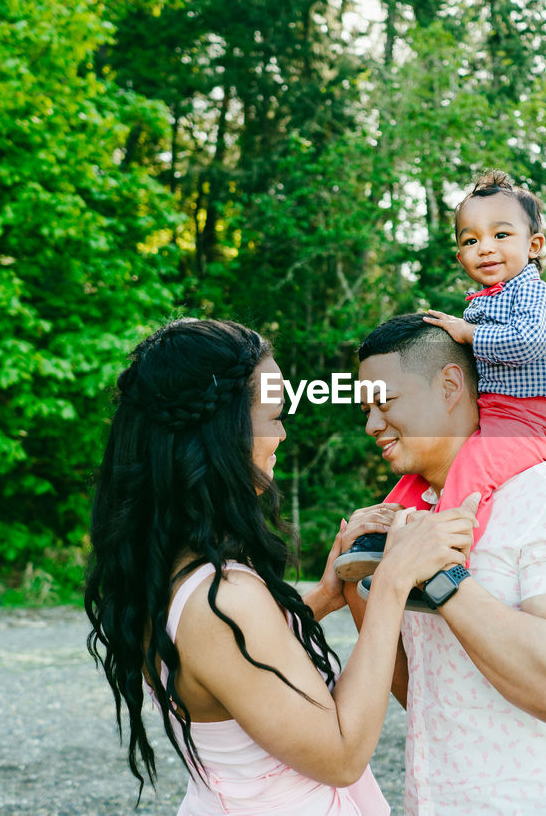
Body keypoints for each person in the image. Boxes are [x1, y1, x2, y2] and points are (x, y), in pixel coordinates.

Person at [84, 318, 477, 815]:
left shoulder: (173, 569)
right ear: (223, 431)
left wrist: (327, 596)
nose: (284, 433)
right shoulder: (222, 599)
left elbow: (239, 670)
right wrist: (393, 583)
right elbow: (340, 756)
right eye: (273, 416)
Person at [342, 314, 546, 814]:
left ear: (450, 386)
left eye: (385, 402)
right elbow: (426, 692)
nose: (372, 425)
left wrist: (442, 577)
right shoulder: (411, 521)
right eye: (366, 409)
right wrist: (359, 581)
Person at [334, 170, 546, 581]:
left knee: (469, 470)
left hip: (531, 420)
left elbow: (529, 342)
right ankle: (380, 540)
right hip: (495, 412)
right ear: (460, 256)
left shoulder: (535, 294)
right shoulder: (481, 303)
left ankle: (443, 566)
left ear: (533, 245)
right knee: (412, 483)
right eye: (470, 240)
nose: (485, 248)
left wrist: (470, 335)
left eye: (501, 235)